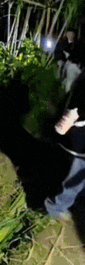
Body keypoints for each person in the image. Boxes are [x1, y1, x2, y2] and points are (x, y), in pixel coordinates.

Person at [44, 72, 85, 220]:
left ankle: (68, 200)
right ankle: (55, 207)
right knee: (75, 177)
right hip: (79, 140)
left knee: (76, 176)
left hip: (77, 135)